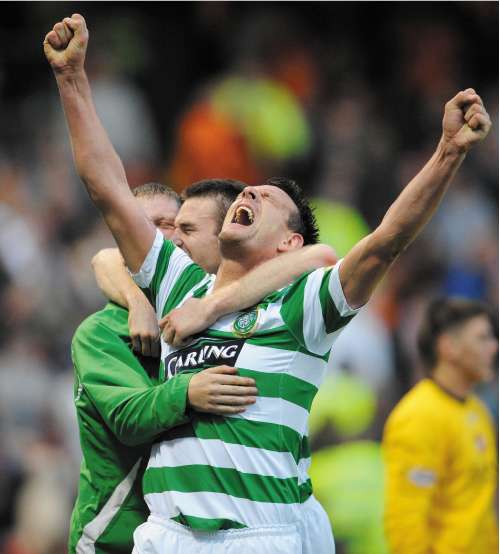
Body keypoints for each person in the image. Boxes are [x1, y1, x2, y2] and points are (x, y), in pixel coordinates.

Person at [44, 13, 491, 553]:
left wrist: (447, 154)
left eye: (267, 199)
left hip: (257, 536)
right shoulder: (179, 285)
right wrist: (72, 80)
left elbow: (385, 242)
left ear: (289, 245)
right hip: (165, 535)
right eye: (244, 193)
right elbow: (108, 187)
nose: (248, 196)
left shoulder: (303, 308)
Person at [69, 182, 260, 554]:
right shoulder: (100, 332)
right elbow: (129, 419)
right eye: (141, 225)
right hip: (116, 535)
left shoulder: (211, 316)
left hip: (194, 536)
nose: (154, 236)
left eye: (168, 224)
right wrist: (188, 391)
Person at [383, 298, 498, 554]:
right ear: (449, 347)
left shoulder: (477, 411)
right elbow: (406, 524)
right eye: (483, 338)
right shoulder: (418, 416)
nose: (494, 348)